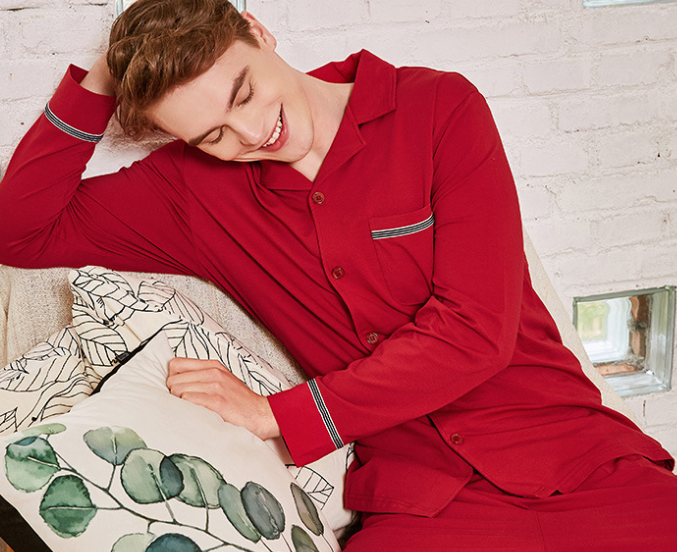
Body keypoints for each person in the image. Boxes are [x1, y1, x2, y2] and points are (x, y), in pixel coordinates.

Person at [1, 0, 676, 550]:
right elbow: (18, 232)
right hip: (421, 504)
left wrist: (276, 414)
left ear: (258, 32)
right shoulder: (187, 191)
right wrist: (108, 74)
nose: (249, 133)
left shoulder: (437, 108)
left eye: (244, 92)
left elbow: (476, 332)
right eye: (212, 135)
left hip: (578, 457)